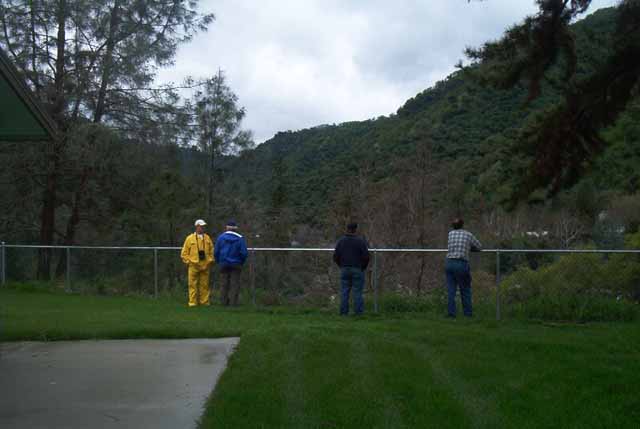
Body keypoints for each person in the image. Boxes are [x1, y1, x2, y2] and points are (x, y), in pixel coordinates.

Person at [445, 218, 482, 318]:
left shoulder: (450, 234)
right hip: (461, 263)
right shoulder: (468, 234)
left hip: (449, 263)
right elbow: (479, 247)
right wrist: (470, 248)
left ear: (453, 226)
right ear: (462, 225)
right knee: (465, 289)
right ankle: (468, 314)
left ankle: (451, 314)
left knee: (451, 290)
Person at [333, 222, 370, 316]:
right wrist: (363, 267)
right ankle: (358, 313)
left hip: (344, 268)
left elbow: (335, 256)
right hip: (357, 268)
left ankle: (343, 313)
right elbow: (366, 257)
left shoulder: (341, 241)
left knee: (344, 291)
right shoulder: (360, 241)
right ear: (356, 229)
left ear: (347, 229)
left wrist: (341, 266)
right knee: (357, 292)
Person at [181, 219, 214, 307]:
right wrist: (189, 262)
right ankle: (193, 302)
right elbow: (184, 253)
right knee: (192, 285)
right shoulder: (189, 238)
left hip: (205, 265)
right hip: (193, 265)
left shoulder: (207, 238)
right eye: (201, 226)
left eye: (203, 226)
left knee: (205, 285)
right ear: (196, 227)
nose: (202, 228)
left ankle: (204, 302)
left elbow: (212, 250)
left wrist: (210, 260)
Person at [214, 220, 248, 306]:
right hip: (236, 263)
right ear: (235, 228)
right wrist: (241, 262)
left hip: (223, 263)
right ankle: (233, 303)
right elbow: (244, 253)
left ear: (226, 228)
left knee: (224, 284)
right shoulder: (240, 238)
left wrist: (218, 261)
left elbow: (216, 252)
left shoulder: (221, 237)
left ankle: (223, 302)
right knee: (234, 284)